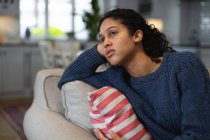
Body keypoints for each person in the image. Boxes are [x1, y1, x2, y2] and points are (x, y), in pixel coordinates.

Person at [58, 8, 210, 140]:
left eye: (113, 33)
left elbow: (199, 135)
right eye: (102, 39)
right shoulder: (115, 78)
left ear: (137, 36)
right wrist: (98, 51)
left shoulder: (184, 66)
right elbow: (68, 77)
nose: (106, 43)